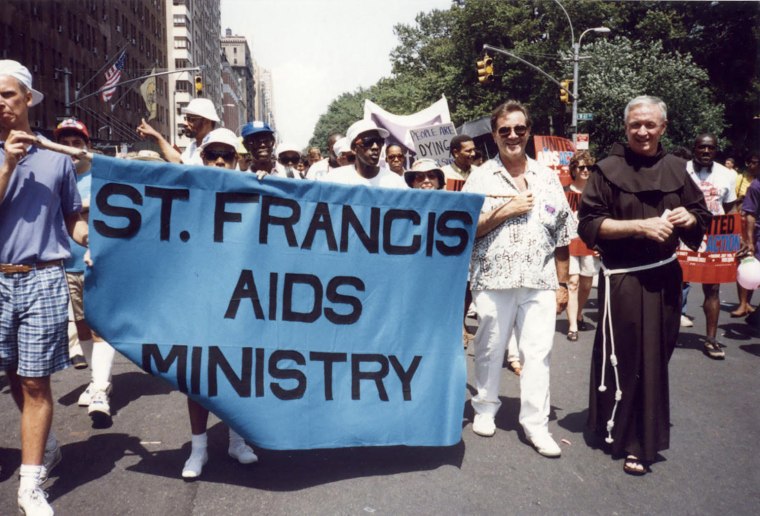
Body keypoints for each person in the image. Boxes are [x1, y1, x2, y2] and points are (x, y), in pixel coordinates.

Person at [578, 95, 710, 476]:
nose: (642, 131)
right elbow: (589, 225)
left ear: (663, 128)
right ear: (626, 127)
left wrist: (688, 217)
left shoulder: (676, 168)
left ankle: (631, 427)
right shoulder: (606, 169)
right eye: (636, 124)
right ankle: (635, 441)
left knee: (657, 355)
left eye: (650, 124)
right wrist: (640, 226)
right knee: (631, 354)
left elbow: (699, 214)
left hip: (665, 276)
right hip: (624, 279)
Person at [461, 100, 574, 457]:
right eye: (504, 130)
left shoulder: (547, 176)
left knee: (537, 353)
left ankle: (536, 424)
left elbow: (562, 234)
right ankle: (485, 406)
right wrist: (503, 212)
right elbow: (464, 230)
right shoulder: (479, 177)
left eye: (519, 129)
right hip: (493, 278)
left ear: (528, 132)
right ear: (494, 135)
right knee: (491, 346)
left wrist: (562, 283)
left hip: (538, 279)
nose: (513, 136)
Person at [1, 59, 89, 515]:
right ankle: (48, 443)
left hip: (43, 277)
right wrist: (9, 162)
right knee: (13, 374)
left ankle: (30, 484)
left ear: (27, 100)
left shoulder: (57, 159)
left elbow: (73, 217)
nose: (0, 103)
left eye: (7, 94)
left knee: (36, 380)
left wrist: (94, 238)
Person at [181, 128, 259, 478]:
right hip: (200, 293)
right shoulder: (185, 189)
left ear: (237, 158)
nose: (218, 161)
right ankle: (198, 449)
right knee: (198, 372)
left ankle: (237, 439)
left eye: (226, 155)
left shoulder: (255, 188)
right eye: (212, 154)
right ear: (202, 157)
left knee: (240, 369)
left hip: (245, 295)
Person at [54, 118, 119, 425]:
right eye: (63, 143)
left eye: (76, 143)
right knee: (80, 327)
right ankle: (96, 380)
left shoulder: (100, 177)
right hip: (65, 264)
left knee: (98, 328)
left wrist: (79, 206)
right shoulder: (53, 178)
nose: (70, 149)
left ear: (87, 147)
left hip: (97, 262)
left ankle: (101, 389)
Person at [683, 133, 736, 359]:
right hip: (684, 231)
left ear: (716, 150)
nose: (706, 152)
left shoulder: (727, 175)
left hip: (716, 233)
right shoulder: (681, 169)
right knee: (674, 283)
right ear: (694, 148)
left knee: (712, 288)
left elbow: (732, 208)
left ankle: (711, 339)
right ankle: (664, 335)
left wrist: (738, 240)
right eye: (701, 148)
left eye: (710, 148)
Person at [564, 150, 599, 341]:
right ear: (574, 169)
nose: (586, 170)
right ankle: (572, 326)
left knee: (586, 283)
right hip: (569, 242)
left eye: (589, 167)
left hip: (588, 242)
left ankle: (578, 312)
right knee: (573, 282)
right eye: (582, 167)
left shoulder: (595, 192)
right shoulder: (564, 191)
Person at [322, 120, 406, 188]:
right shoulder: (334, 181)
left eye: (379, 141)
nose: (375, 147)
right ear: (354, 149)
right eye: (368, 141)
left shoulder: (396, 183)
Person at [136, 98, 220, 164]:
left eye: (191, 119)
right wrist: (156, 135)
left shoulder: (218, 146)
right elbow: (180, 162)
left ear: (207, 121)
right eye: (186, 118)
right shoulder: (193, 146)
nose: (185, 123)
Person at [732, 152, 760, 317]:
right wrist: (749, 240)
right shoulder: (755, 186)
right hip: (756, 233)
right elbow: (749, 213)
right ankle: (744, 304)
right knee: (749, 268)